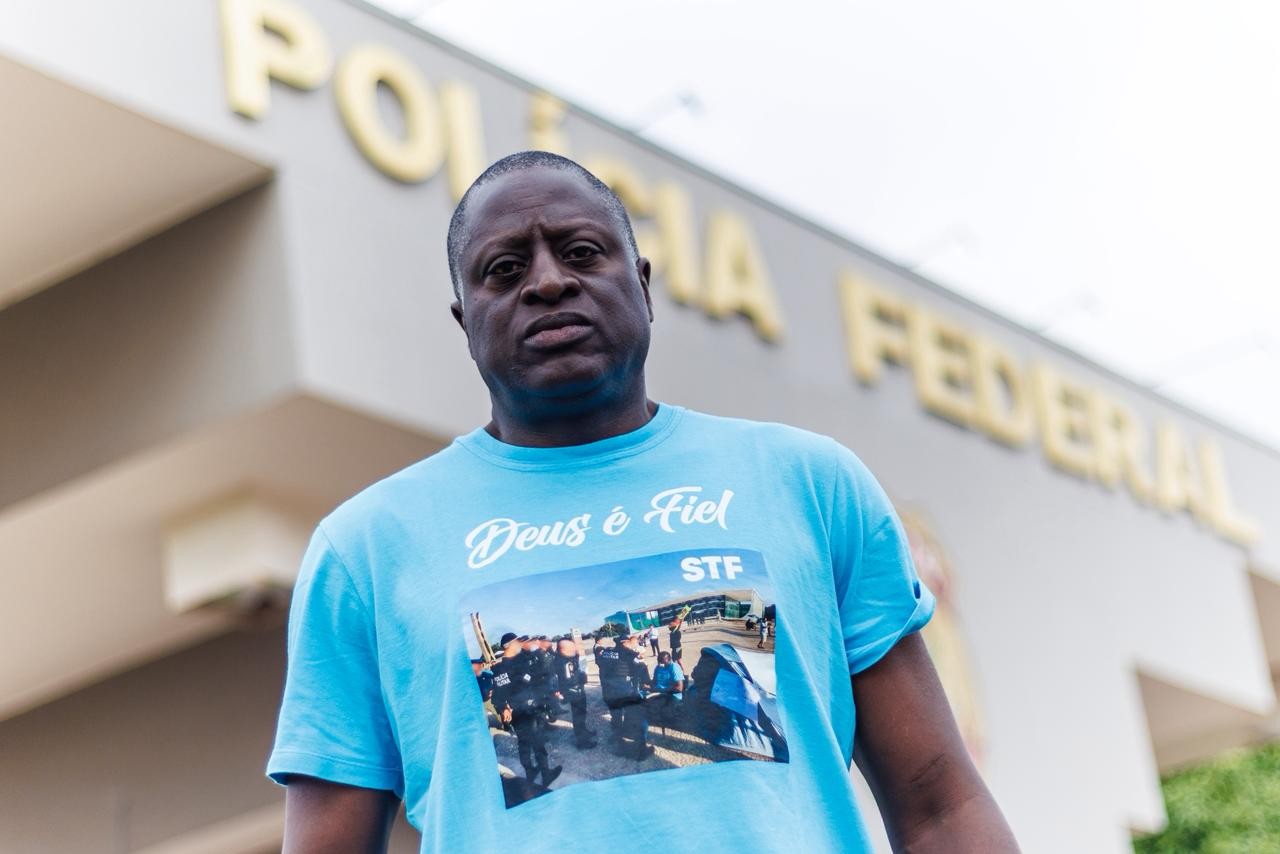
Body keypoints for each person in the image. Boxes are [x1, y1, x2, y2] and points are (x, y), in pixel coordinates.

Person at [268, 152, 1018, 852]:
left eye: (582, 253)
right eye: (504, 269)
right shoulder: (367, 551)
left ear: (644, 284)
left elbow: (938, 803)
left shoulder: (810, 485)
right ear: (466, 321)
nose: (548, 283)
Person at [488, 632, 562, 789]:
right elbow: (498, 695)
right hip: (525, 712)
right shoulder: (503, 668)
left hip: (528, 709)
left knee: (525, 744)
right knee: (535, 743)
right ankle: (545, 774)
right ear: (509, 646)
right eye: (517, 642)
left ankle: (531, 772)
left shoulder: (517, 662)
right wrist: (503, 708)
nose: (520, 644)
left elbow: (545, 672)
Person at [551, 637, 596, 748]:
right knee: (578, 717)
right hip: (572, 692)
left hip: (578, 689)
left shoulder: (569, 658)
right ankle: (582, 742)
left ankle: (584, 731)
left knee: (582, 713)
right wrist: (558, 692)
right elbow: (560, 679)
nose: (574, 649)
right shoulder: (561, 662)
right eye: (571, 648)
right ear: (563, 649)